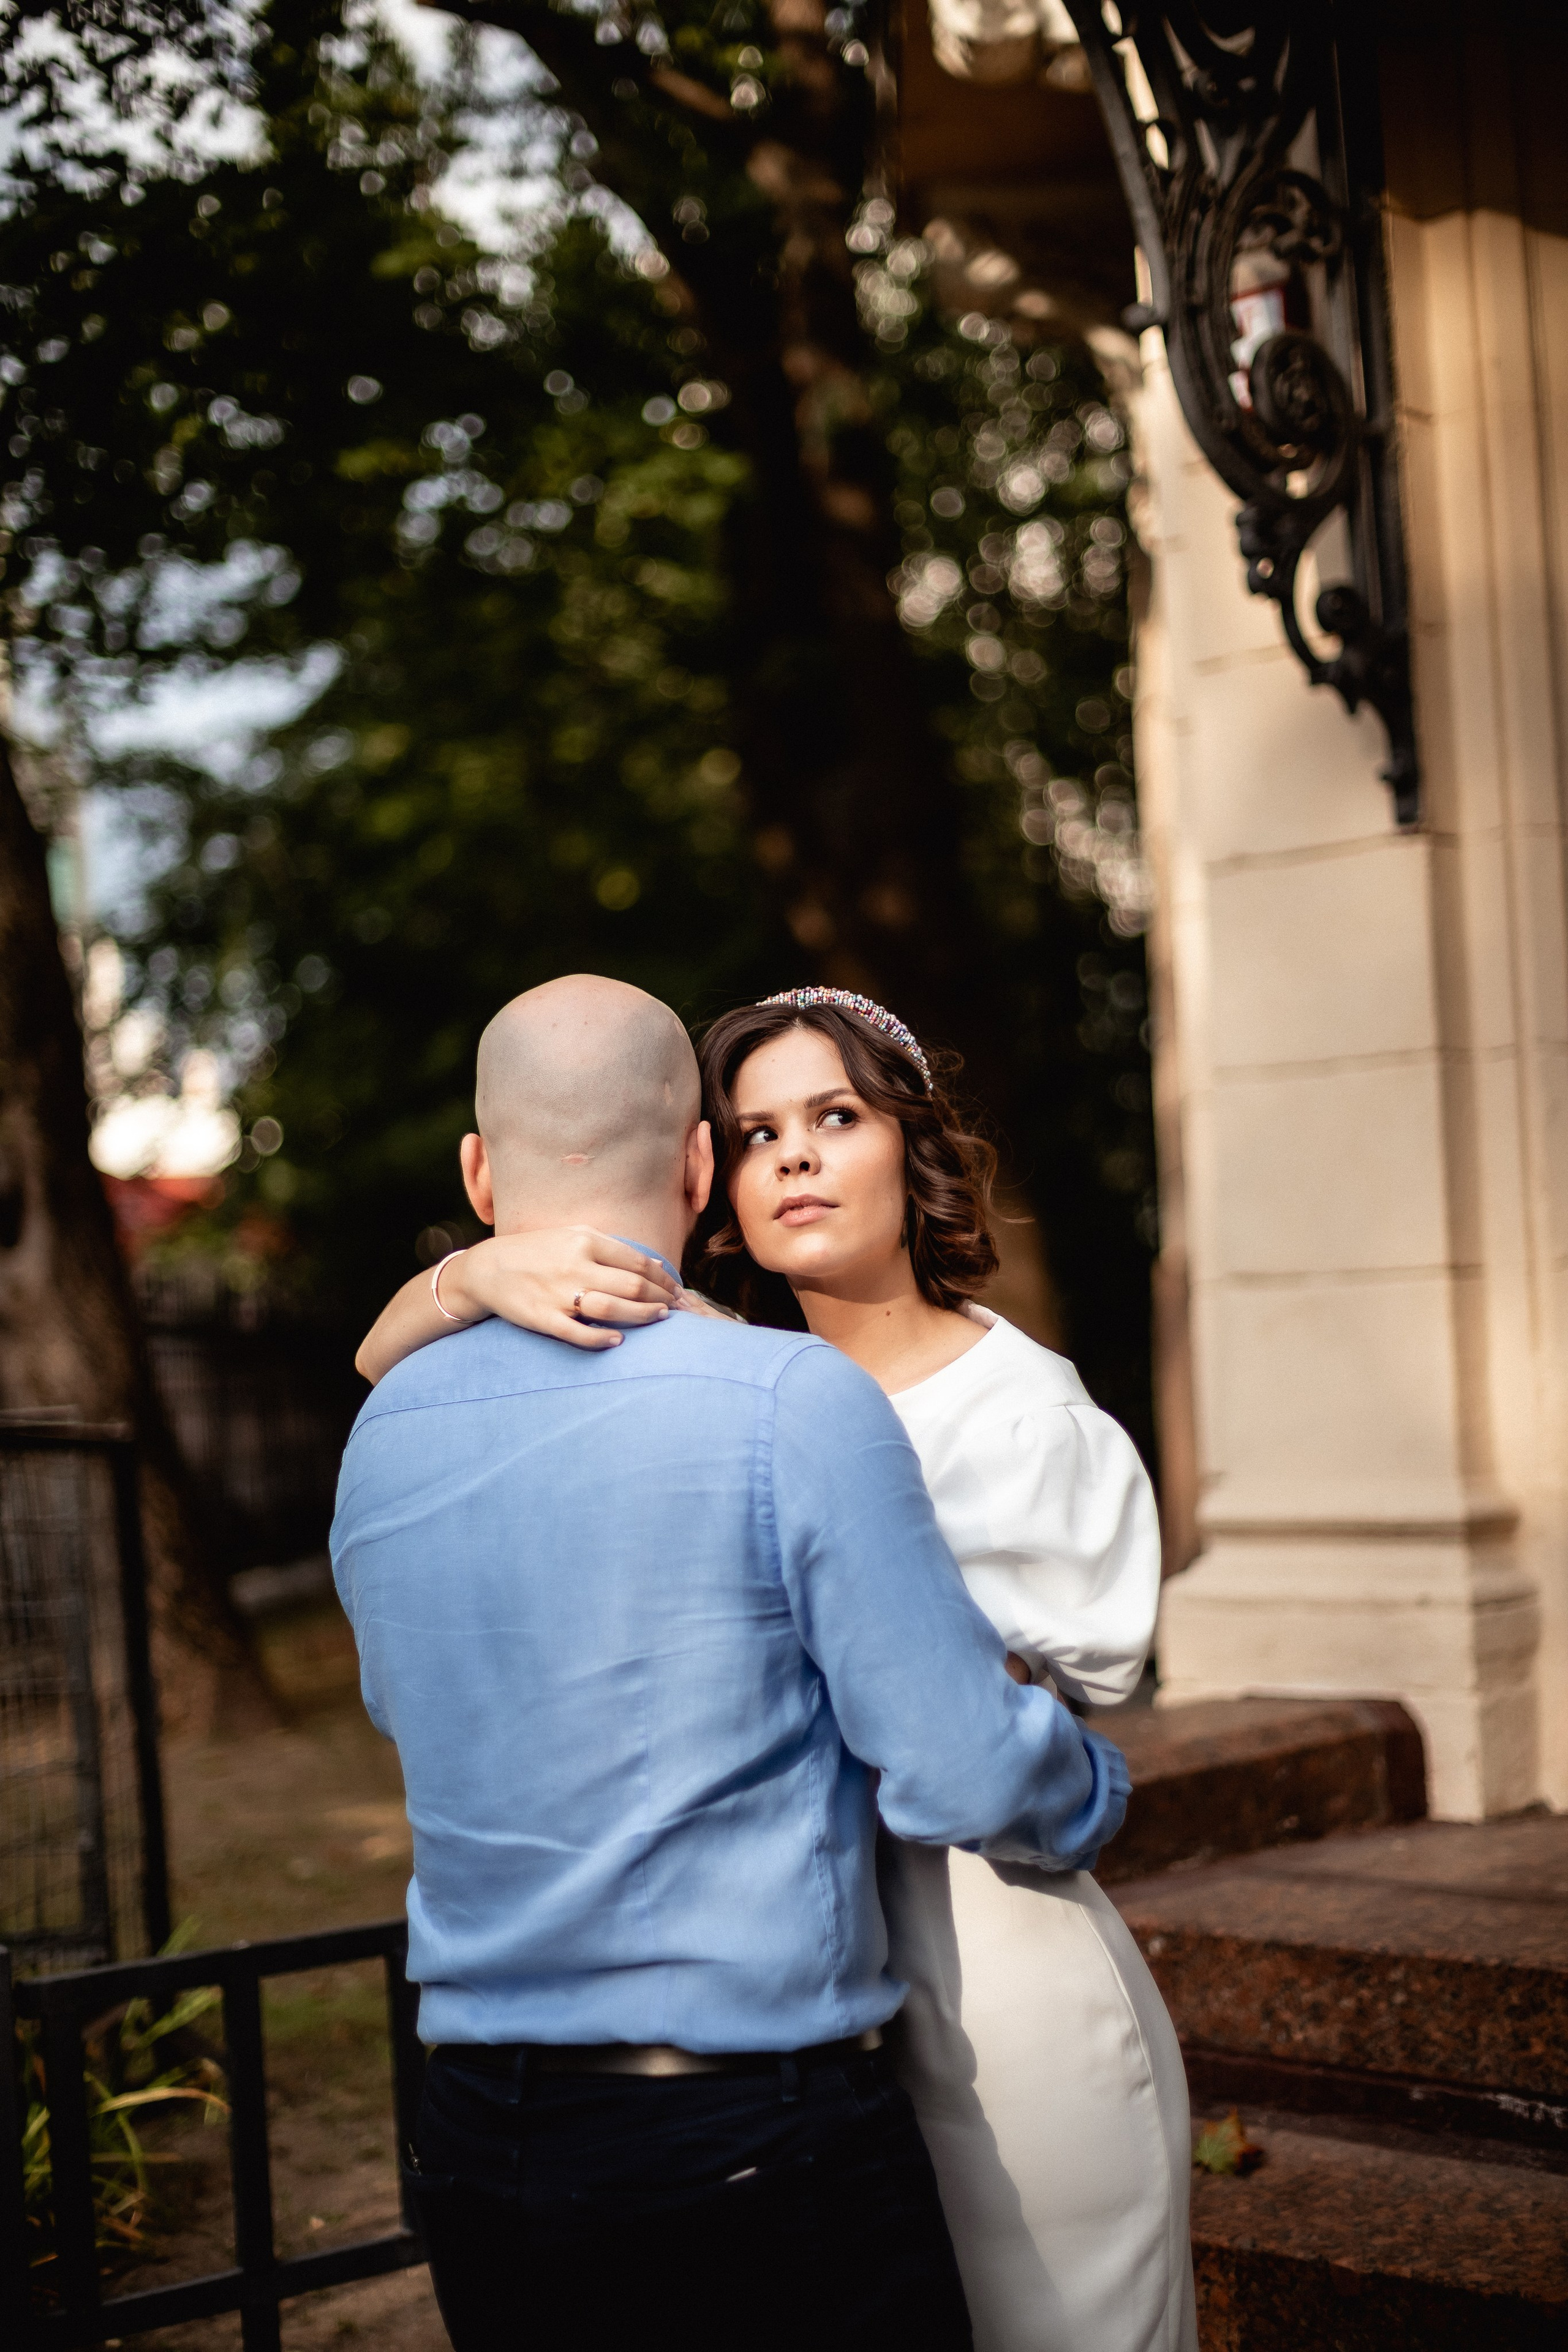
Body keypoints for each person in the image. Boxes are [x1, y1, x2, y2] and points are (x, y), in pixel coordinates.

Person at [360, 982, 1197, 2352]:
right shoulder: (756, 1392)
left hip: (980, 1980)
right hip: (781, 2064)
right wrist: (464, 1275)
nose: (793, 1155)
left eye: (834, 1116)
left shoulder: (987, 1409)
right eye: (754, 1132)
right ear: (703, 1172)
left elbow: (985, 1758)